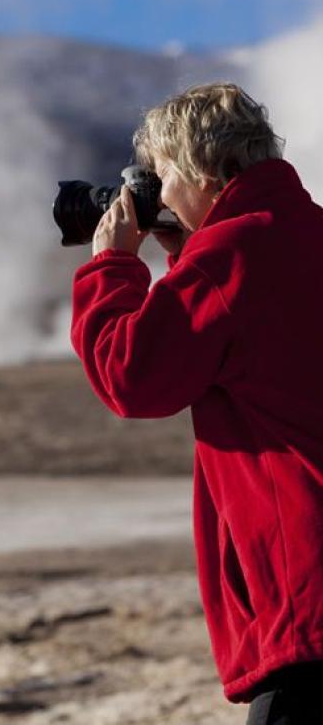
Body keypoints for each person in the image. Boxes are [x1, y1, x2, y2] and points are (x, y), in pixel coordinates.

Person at [70, 82, 323, 724]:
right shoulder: (304, 232)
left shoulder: (229, 257)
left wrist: (113, 269)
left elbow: (133, 377)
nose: (154, 194)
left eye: (160, 177)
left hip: (309, 596)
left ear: (206, 171)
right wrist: (185, 255)